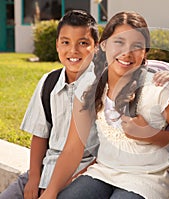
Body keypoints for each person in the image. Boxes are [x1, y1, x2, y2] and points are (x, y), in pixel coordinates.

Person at [39, 11, 169, 199]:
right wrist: (51, 191)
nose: (127, 52)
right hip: (104, 172)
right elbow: (72, 149)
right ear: (103, 45)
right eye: (119, 42)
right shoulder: (90, 89)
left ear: (145, 52)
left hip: (148, 178)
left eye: (137, 46)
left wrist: (150, 134)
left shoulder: (158, 89)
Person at [0, 10, 100, 199]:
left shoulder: (102, 87)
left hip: (84, 172)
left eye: (83, 43)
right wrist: (34, 178)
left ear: (96, 47)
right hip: (46, 168)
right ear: (57, 45)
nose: (73, 50)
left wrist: (60, 185)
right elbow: (40, 135)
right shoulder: (49, 82)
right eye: (65, 42)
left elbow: (103, 154)